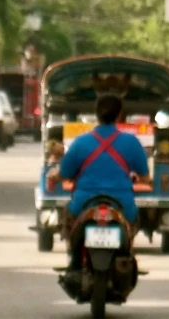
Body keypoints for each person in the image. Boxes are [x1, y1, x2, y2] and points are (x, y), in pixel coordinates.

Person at [55, 93, 148, 252]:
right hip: (122, 204)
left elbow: (64, 174)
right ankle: (126, 256)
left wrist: (55, 175)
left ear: (96, 113)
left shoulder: (80, 142)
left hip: (84, 202)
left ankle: (74, 262)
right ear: (119, 115)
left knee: (69, 220)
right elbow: (145, 177)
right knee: (132, 225)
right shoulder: (131, 142)